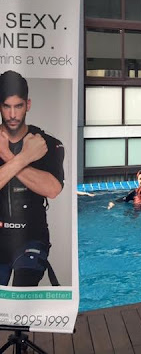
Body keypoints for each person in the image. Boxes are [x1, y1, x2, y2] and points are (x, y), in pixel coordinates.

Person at [0, 70, 65, 287]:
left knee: (22, 298)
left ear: (27, 105)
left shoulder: (46, 143)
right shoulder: (33, 149)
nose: (12, 114)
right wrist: (24, 158)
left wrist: (8, 157)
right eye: (6, 106)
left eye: (18, 106)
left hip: (32, 236)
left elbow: (52, 189)